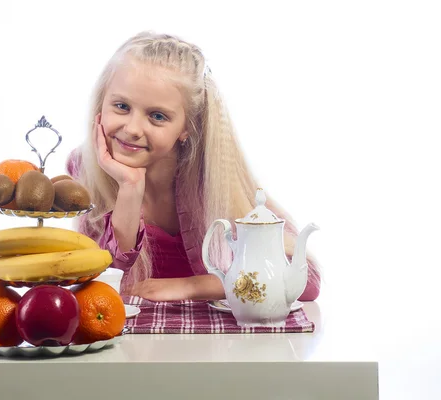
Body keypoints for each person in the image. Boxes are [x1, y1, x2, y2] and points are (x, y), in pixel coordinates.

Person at [66, 31, 320, 302]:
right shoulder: (86, 169)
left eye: (157, 116)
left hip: (219, 341)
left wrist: (194, 286)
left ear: (186, 128)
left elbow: (305, 280)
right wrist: (129, 188)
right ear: (101, 104)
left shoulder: (212, 175)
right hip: (131, 340)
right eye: (121, 106)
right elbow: (103, 284)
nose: (132, 129)